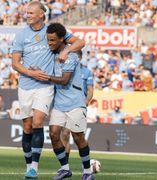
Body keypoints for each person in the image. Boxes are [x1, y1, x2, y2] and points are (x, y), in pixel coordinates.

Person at [11, 1, 85, 179]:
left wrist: (66, 51)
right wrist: (31, 73)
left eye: (30, 13)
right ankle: (28, 165)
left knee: (37, 123)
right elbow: (15, 63)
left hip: (45, 87)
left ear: (41, 15)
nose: (27, 15)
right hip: (26, 85)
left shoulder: (52, 31)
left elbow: (80, 42)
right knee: (27, 127)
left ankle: (34, 168)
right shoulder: (21, 35)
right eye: (27, 13)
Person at [42, 22, 94, 180]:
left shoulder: (70, 56)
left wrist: (46, 76)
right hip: (59, 104)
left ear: (61, 40)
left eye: (52, 40)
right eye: (48, 40)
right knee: (53, 134)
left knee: (78, 138)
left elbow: (64, 81)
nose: (49, 43)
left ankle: (87, 172)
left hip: (75, 103)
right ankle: (65, 169)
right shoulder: (52, 55)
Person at [61, 50, 94, 160]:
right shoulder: (64, 69)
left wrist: (87, 100)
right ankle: (65, 166)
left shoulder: (86, 72)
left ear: (79, 58)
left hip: (79, 105)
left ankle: (86, 162)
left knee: (79, 137)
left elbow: (90, 90)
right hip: (66, 105)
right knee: (65, 134)